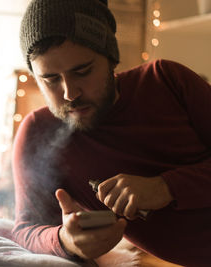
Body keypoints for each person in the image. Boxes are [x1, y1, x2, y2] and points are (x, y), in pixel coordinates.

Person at [11, 0, 211, 266]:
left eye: (83, 72)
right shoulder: (38, 133)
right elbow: (27, 229)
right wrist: (65, 240)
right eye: (50, 80)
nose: (70, 93)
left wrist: (166, 187)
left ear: (110, 58)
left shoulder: (166, 80)